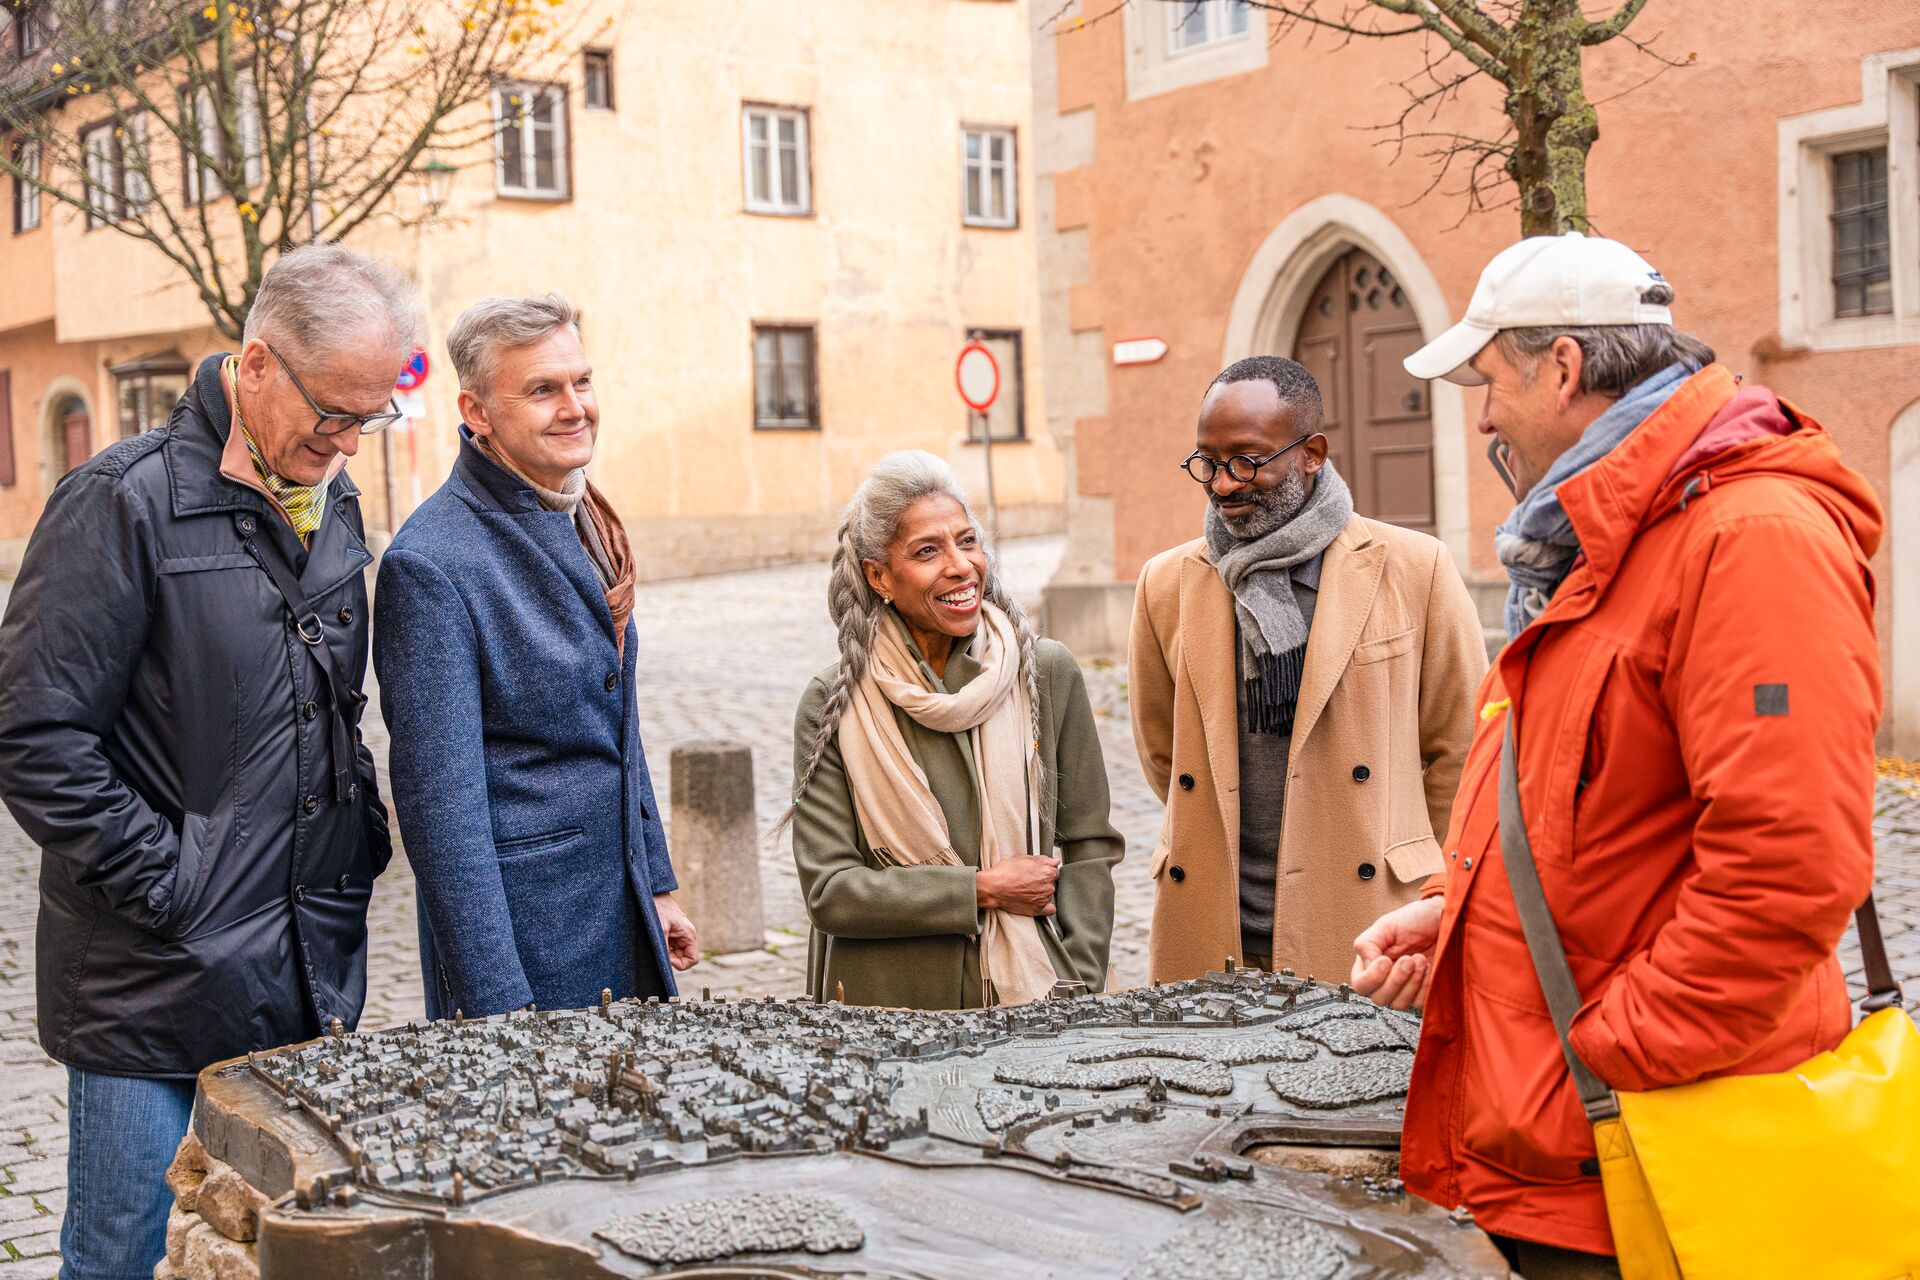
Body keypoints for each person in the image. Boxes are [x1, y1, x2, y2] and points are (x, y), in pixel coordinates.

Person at [1351, 233, 1881, 1278]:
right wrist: (1461, 918)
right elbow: (1601, 812)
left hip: (1663, 1147)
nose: (1484, 414)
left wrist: (1610, 1051)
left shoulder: (1749, 534)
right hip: (1573, 1151)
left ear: (1563, 368)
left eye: (1489, 379)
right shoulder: (1612, 528)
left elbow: (1789, 867)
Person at [0, 244, 412, 1280]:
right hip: (151, 980)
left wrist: (355, 826)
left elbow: (328, 702)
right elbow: (36, 735)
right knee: (126, 1258)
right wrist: (174, 883)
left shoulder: (335, 494)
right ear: (258, 362)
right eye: (333, 411)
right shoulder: (120, 502)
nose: (349, 441)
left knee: (274, 1253)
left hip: (306, 967)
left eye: (370, 416)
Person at [374, 294, 698, 1020]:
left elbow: (615, 721)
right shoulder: (432, 564)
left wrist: (654, 883)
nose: (574, 407)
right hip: (528, 945)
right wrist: (495, 1001)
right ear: (478, 411)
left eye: (581, 382)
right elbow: (441, 811)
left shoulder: (581, 511)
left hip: (616, 909)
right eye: (543, 390)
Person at [1128, 356, 1484, 984]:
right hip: (1213, 921)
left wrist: (1426, 877)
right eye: (1206, 463)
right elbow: (1165, 757)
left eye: (1247, 460)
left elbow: (1462, 751)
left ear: (1312, 453)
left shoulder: (1414, 568)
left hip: (1368, 919)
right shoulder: (1166, 583)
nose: (1224, 484)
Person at [786, 451, 1122, 1009]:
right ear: (879, 576)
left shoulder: (1044, 674)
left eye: (967, 541)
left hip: (1028, 997)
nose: (961, 566)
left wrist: (1078, 980)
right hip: (884, 1005)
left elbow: (1090, 845)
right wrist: (982, 888)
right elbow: (830, 892)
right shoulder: (835, 702)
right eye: (926, 551)